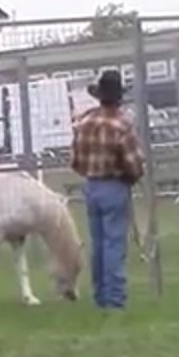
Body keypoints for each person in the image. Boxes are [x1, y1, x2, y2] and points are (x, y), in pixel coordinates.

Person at [70, 69, 147, 310]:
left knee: (99, 244)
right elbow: (134, 163)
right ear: (119, 98)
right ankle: (115, 299)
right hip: (115, 186)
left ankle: (100, 296)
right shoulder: (121, 125)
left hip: (91, 186)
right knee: (114, 244)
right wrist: (131, 177)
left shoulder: (84, 122)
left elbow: (75, 161)